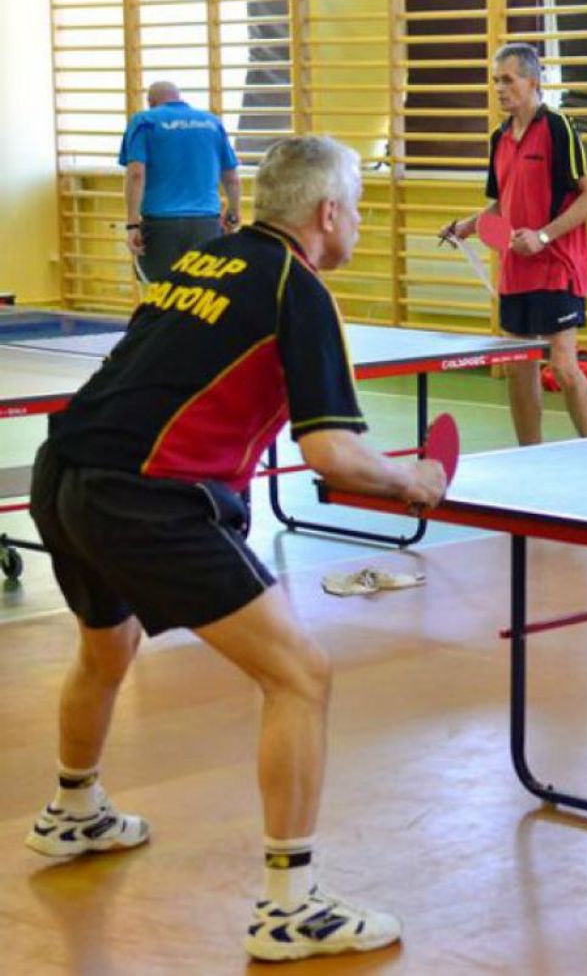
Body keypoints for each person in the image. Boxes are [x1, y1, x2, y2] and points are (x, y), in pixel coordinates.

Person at [25, 135, 445, 962]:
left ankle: (75, 811)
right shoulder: (299, 289)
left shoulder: (203, 261)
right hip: (147, 499)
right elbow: (330, 452)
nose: (360, 222)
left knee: (107, 647)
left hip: (64, 472)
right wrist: (412, 478)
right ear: (328, 212)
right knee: (300, 675)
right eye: (358, 207)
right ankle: (291, 909)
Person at [440, 42, 587, 445]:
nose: (499, 88)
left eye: (508, 80)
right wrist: (466, 226)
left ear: (532, 82)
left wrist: (544, 235)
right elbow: (504, 202)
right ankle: (528, 456)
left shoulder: (557, 128)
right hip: (516, 272)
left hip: (557, 267)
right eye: (495, 81)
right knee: (518, 369)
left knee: (563, 366)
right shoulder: (499, 137)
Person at [120, 81, 242, 282]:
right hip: (206, 224)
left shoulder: (144, 121)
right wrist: (233, 213)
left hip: (160, 226)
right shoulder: (213, 123)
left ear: (151, 102)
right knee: (203, 293)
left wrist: (132, 225)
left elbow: (136, 175)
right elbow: (232, 178)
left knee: (161, 293)